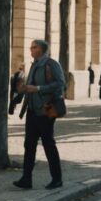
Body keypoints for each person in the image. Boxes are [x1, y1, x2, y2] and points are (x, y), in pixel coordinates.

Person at [13, 39, 65, 190]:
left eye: (34, 47)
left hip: (46, 110)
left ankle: (57, 179)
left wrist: (39, 89)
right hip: (32, 111)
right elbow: (31, 87)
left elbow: (61, 83)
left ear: (41, 49)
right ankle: (26, 179)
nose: (31, 49)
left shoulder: (51, 64)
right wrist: (23, 89)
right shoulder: (34, 64)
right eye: (31, 47)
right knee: (29, 145)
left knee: (48, 144)